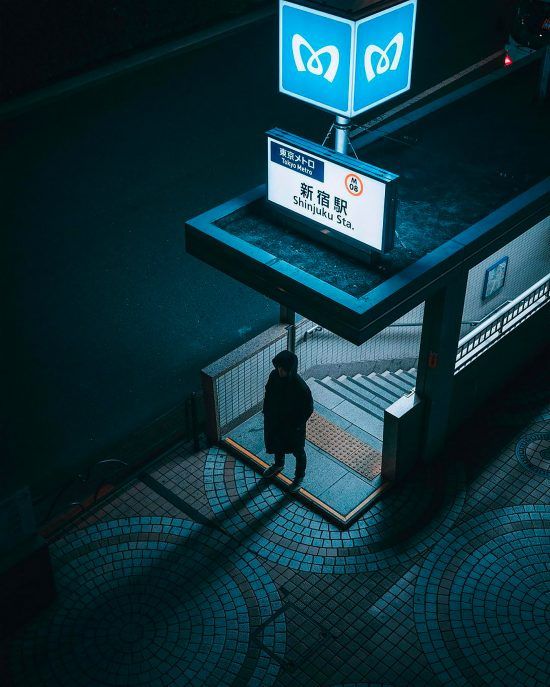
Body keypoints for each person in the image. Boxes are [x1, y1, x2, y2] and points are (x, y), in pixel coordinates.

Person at [262, 350, 313, 493]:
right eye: (278, 368)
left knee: (298, 451)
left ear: (290, 369)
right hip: (277, 421)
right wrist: (267, 412)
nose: (280, 371)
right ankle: (278, 464)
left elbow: (308, 409)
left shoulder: (301, 387)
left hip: (293, 427)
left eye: (283, 369)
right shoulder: (274, 376)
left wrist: (296, 425)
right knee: (278, 443)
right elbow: (268, 393)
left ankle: (298, 478)